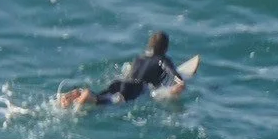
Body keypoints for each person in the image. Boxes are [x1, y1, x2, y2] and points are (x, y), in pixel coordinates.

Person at [57, 31, 185, 109]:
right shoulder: (162, 59)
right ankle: (87, 96)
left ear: (150, 45)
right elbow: (175, 75)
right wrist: (179, 85)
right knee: (113, 102)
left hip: (121, 82)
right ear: (165, 48)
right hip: (135, 88)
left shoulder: (139, 58)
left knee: (104, 93)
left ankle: (75, 95)